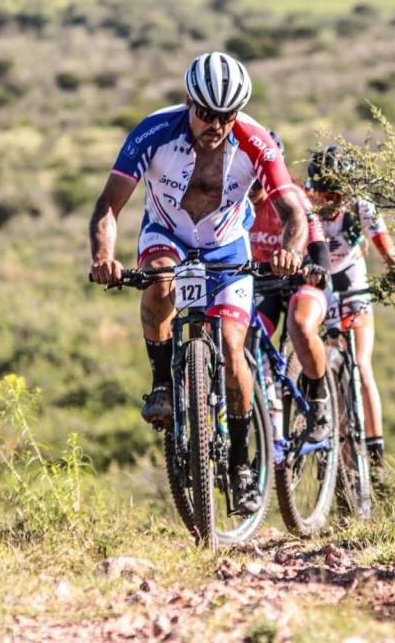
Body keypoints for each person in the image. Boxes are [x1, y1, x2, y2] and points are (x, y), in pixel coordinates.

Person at [89, 52, 309, 513]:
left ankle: (241, 463)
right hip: (166, 233)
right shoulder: (154, 132)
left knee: (232, 347)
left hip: (228, 245)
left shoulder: (256, 141)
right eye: (206, 113)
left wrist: (290, 249)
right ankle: (162, 382)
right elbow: (109, 205)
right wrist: (103, 257)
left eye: (226, 115)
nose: (216, 124)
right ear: (190, 101)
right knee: (160, 285)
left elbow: (294, 211)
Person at [306, 145, 395, 481]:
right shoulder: (306, 208)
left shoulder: (360, 206)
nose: (330, 199)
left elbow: (383, 242)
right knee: (322, 360)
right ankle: (331, 438)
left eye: (337, 192)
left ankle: (376, 448)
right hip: (322, 284)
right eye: (323, 191)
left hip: (353, 281)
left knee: (362, 364)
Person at [247, 131, 334, 450]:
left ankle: (319, 402)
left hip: (303, 278)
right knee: (242, 338)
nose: (254, 188)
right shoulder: (234, 200)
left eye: (260, 180)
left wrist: (319, 269)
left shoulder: (291, 196)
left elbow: (317, 240)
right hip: (263, 284)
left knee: (300, 324)